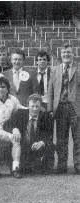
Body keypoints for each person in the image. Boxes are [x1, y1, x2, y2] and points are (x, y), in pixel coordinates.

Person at [47, 43, 80, 174]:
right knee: (61, 139)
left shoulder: (78, 69)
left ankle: (78, 165)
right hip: (60, 107)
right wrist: (50, 109)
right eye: (64, 52)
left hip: (75, 108)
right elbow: (50, 91)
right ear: (60, 55)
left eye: (68, 52)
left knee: (78, 138)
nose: (66, 55)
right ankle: (61, 165)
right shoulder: (55, 70)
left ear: (73, 54)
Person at [4, 94, 54, 175]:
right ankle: (22, 166)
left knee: (51, 145)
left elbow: (49, 135)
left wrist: (42, 142)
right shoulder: (20, 113)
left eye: (37, 106)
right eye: (32, 106)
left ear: (41, 107)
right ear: (28, 106)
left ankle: (44, 166)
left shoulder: (46, 117)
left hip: (37, 146)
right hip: (23, 147)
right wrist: (14, 129)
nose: (34, 109)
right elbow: (6, 125)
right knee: (25, 169)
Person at [0, 77, 24, 178]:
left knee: (16, 139)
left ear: (8, 88)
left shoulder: (13, 100)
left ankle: (16, 168)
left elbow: (21, 110)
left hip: (7, 129)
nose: (1, 89)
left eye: (3, 87)